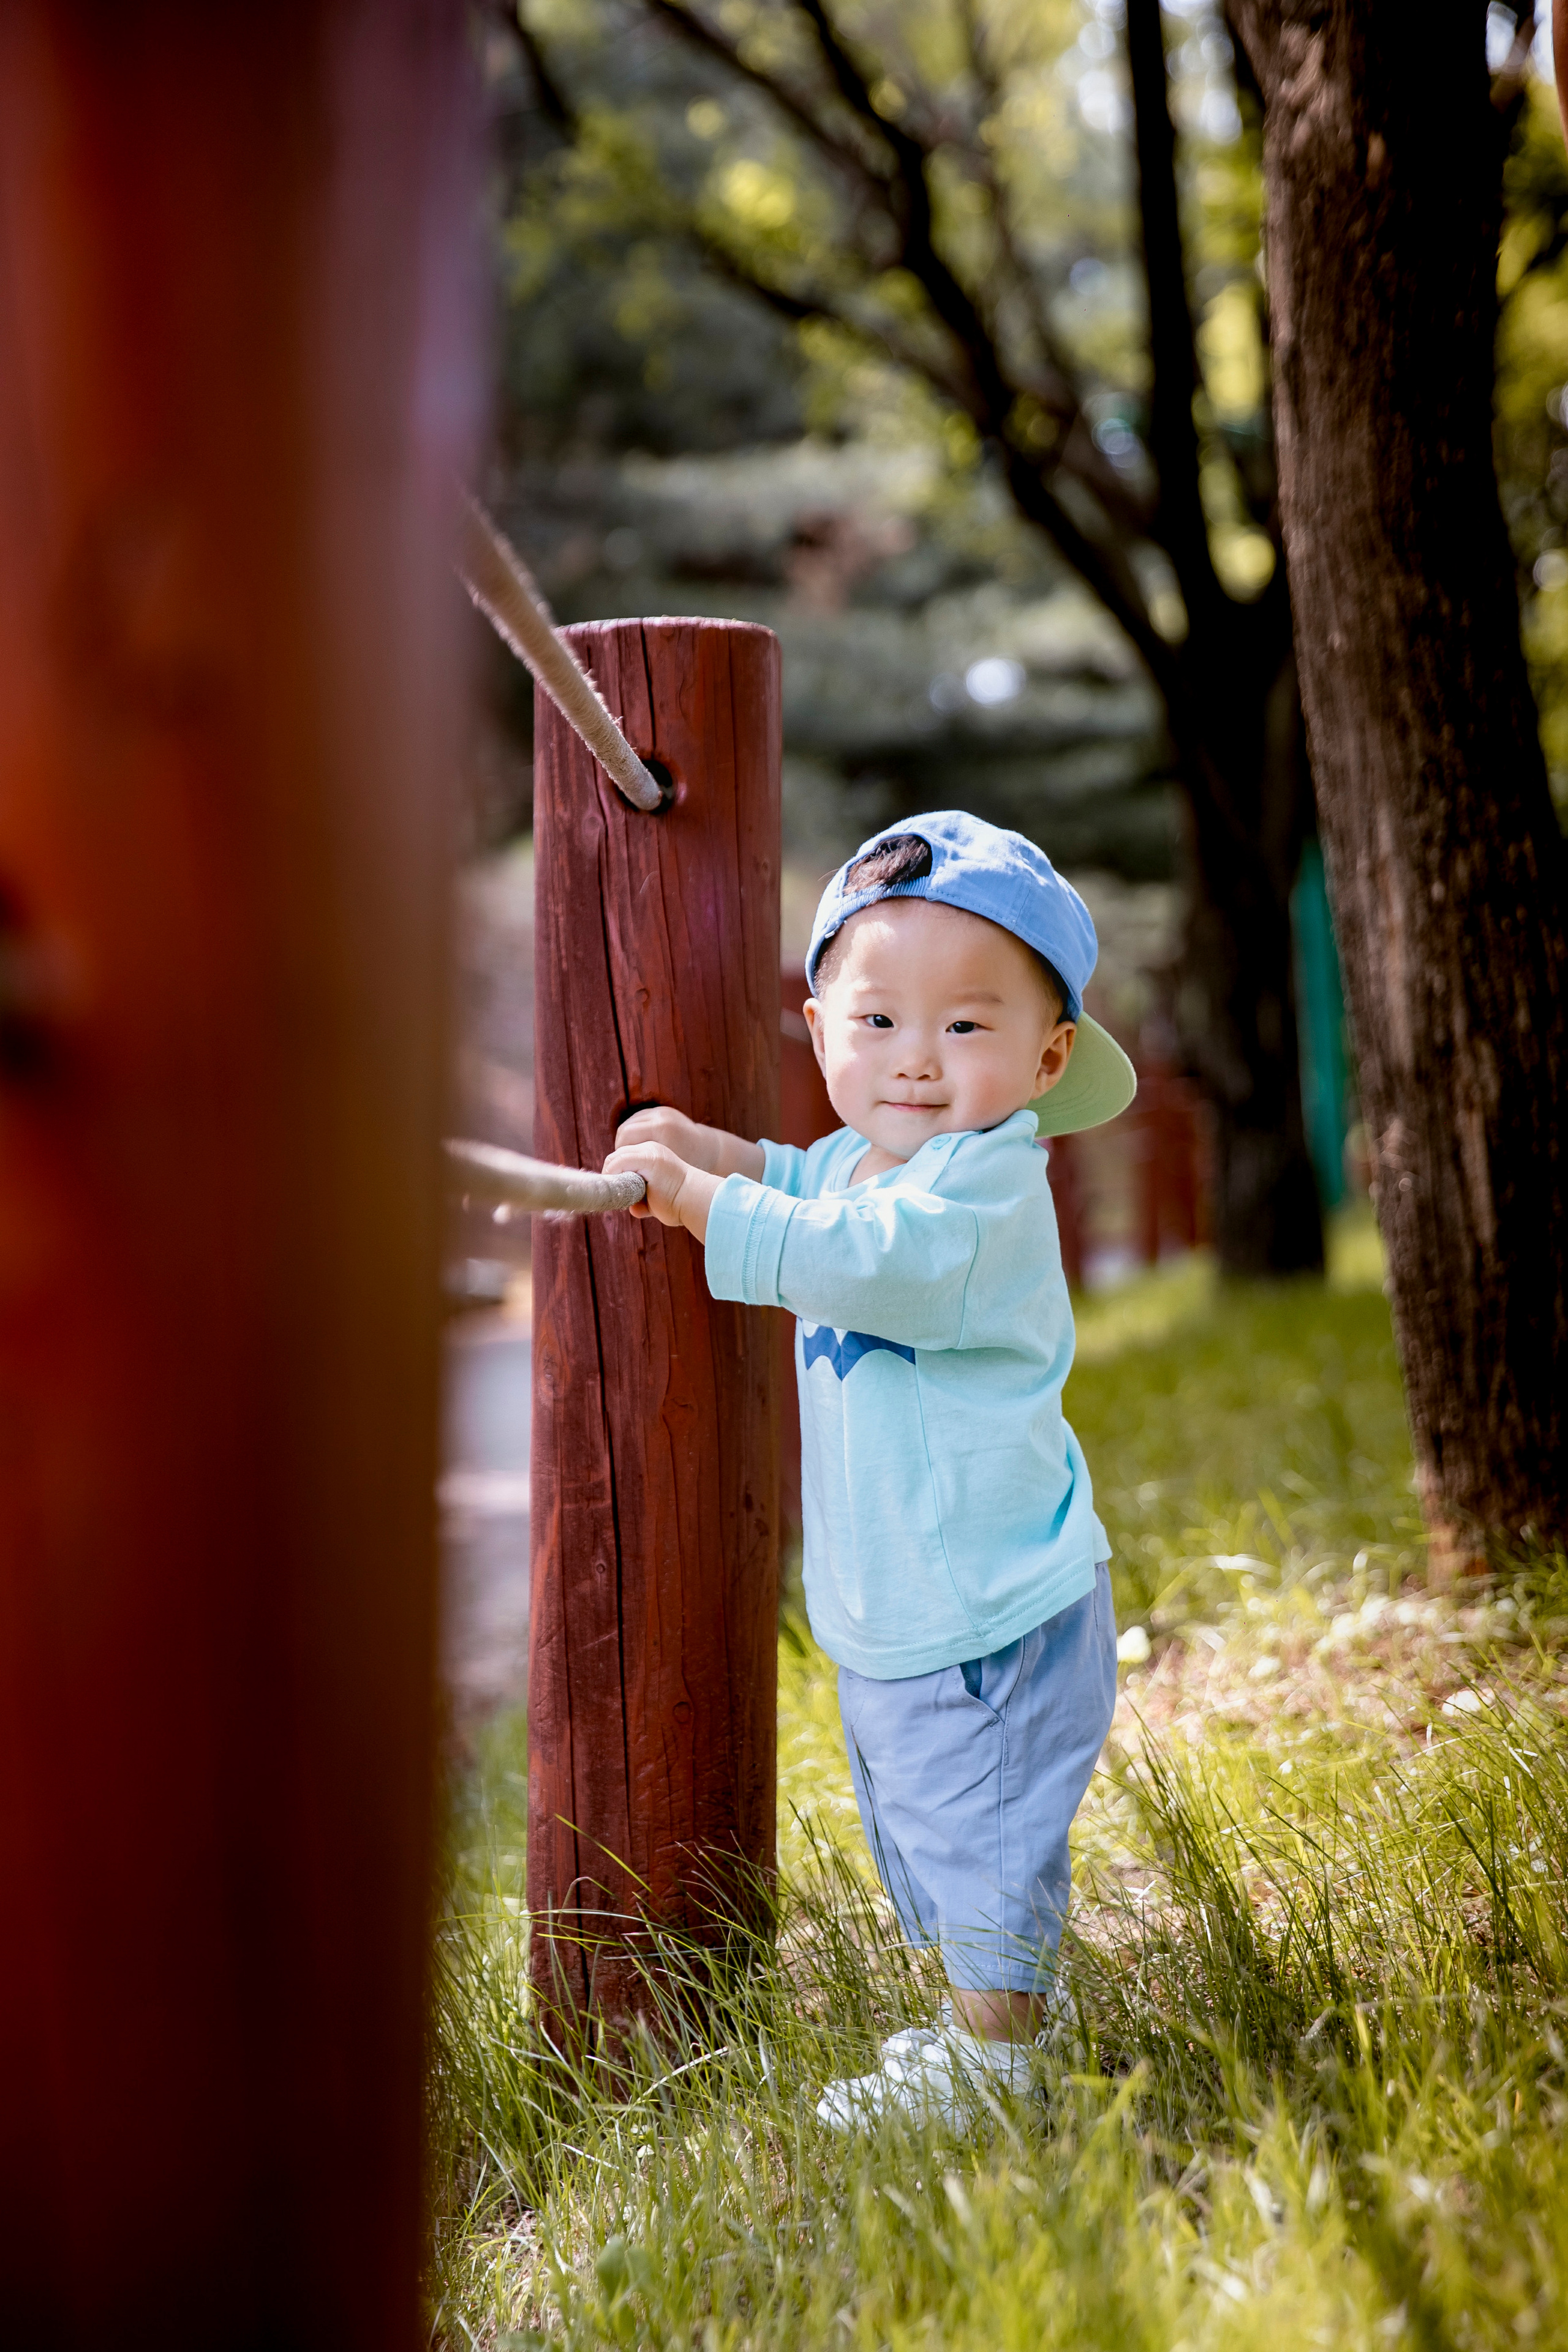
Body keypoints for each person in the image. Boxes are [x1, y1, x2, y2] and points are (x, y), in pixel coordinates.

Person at [603, 811, 1135, 2128]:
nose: (914, 1061)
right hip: (913, 1596)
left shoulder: (980, 1192)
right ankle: (991, 2016)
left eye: (965, 1026)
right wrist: (713, 1154)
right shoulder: (865, 1158)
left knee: (979, 1820)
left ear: (1046, 1054)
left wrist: (704, 1206)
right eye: (878, 1020)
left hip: (985, 1603)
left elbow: (861, 1259)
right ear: (819, 1025)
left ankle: (995, 2065)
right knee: (931, 1811)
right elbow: (805, 1180)